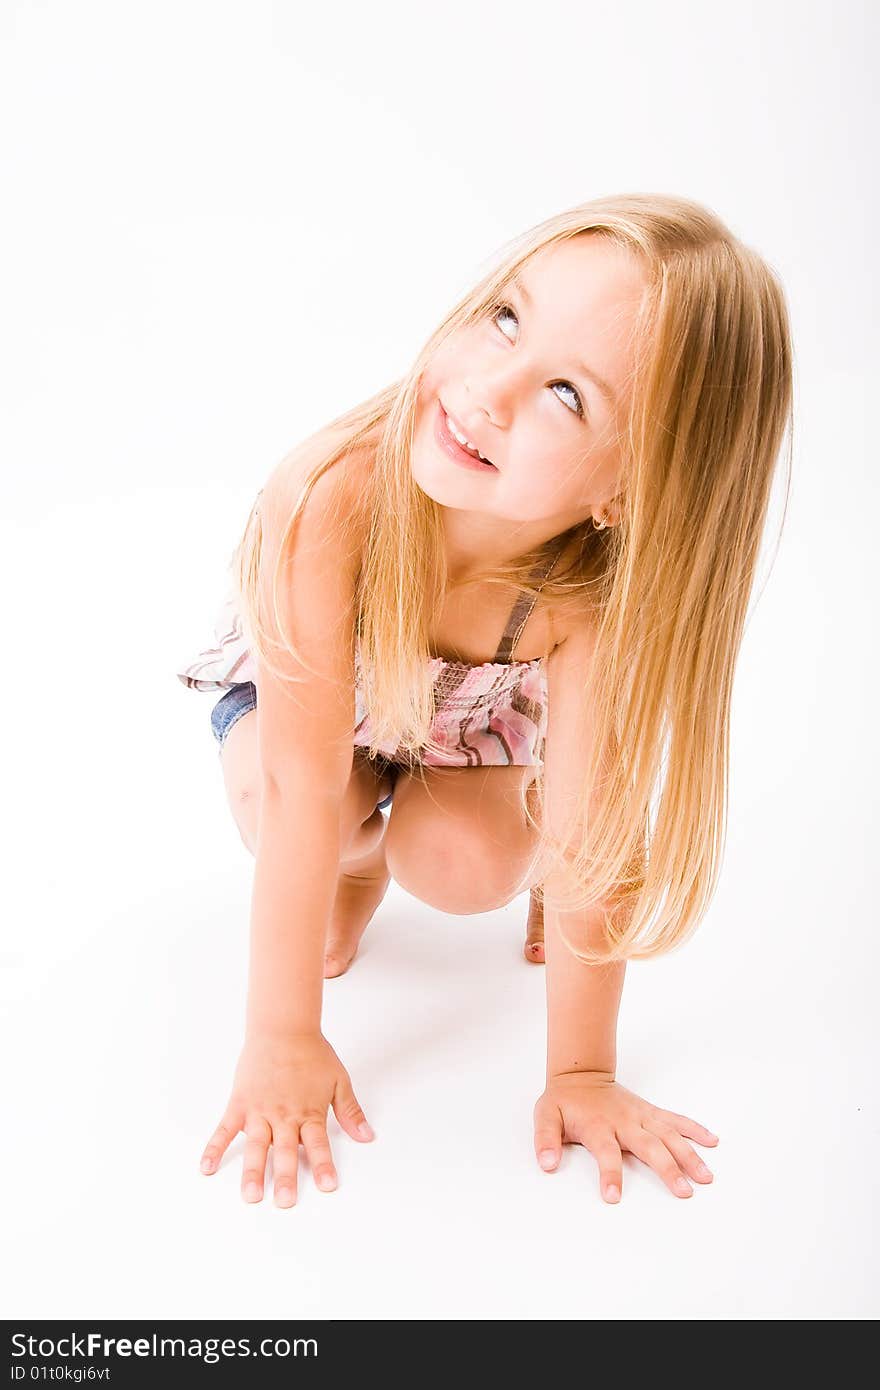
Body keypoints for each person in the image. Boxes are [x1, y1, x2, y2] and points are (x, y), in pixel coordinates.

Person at [176, 192, 793, 1209]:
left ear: (627, 490)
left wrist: (582, 1073)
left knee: (467, 867)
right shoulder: (331, 497)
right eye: (506, 318)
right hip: (315, 729)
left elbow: (597, 832)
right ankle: (356, 867)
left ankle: (460, 834)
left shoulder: (585, 594)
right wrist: (282, 1034)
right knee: (311, 817)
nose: (487, 389)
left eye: (567, 396)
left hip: (467, 738)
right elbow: (294, 781)